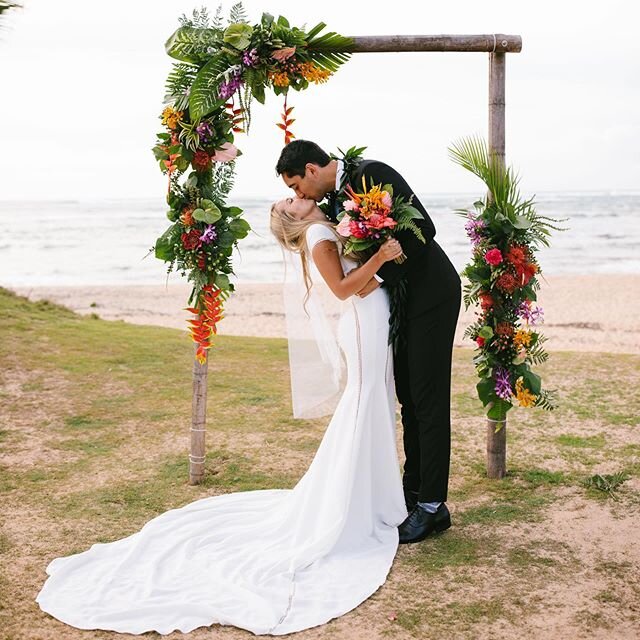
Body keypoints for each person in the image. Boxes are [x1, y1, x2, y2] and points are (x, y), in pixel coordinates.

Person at [34, 199, 408, 636]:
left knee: (372, 402)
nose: (295, 197)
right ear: (293, 218)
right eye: (289, 198)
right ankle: (356, 502)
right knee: (363, 403)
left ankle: (373, 497)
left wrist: (378, 257)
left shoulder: (328, 227)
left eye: (291, 192)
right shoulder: (316, 233)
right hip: (362, 324)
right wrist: (381, 256)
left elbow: (356, 282)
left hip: (372, 317)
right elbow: (343, 289)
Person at [276, 140, 462, 544]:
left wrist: (378, 279)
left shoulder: (372, 174)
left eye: (297, 187)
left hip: (432, 296)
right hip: (401, 304)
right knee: (409, 398)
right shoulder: (335, 203)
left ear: (311, 169)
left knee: (429, 399)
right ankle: (412, 492)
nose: (299, 195)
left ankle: (433, 506)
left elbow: (423, 232)